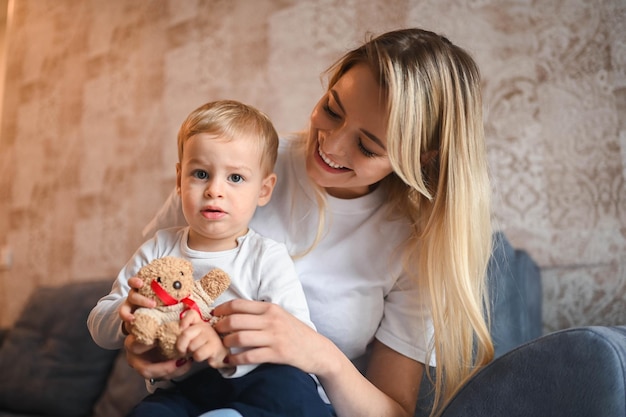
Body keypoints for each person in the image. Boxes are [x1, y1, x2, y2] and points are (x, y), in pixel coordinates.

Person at [126, 28, 494, 417]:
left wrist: (321, 356)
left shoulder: (413, 245)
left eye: (367, 146)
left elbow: (394, 412)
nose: (331, 146)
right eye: (333, 110)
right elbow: (155, 277)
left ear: (419, 159)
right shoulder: (236, 166)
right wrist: (145, 341)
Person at [87, 100, 332, 417]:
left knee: (293, 394)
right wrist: (126, 317)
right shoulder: (158, 248)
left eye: (235, 178)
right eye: (201, 174)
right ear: (179, 180)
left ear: (264, 190)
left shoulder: (265, 256)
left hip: (257, 380)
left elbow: (296, 336)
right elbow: (98, 324)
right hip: (183, 390)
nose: (215, 190)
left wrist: (222, 350)